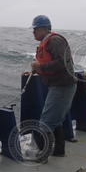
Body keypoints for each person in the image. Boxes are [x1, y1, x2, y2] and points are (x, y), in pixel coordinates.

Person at [30, 15, 77, 160]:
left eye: (35, 29)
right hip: (59, 86)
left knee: (46, 122)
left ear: (44, 28)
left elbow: (62, 62)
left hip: (62, 86)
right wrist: (34, 70)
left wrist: (40, 66)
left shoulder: (54, 41)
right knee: (55, 121)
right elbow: (49, 62)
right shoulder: (47, 42)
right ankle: (59, 151)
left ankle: (42, 154)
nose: (33, 32)